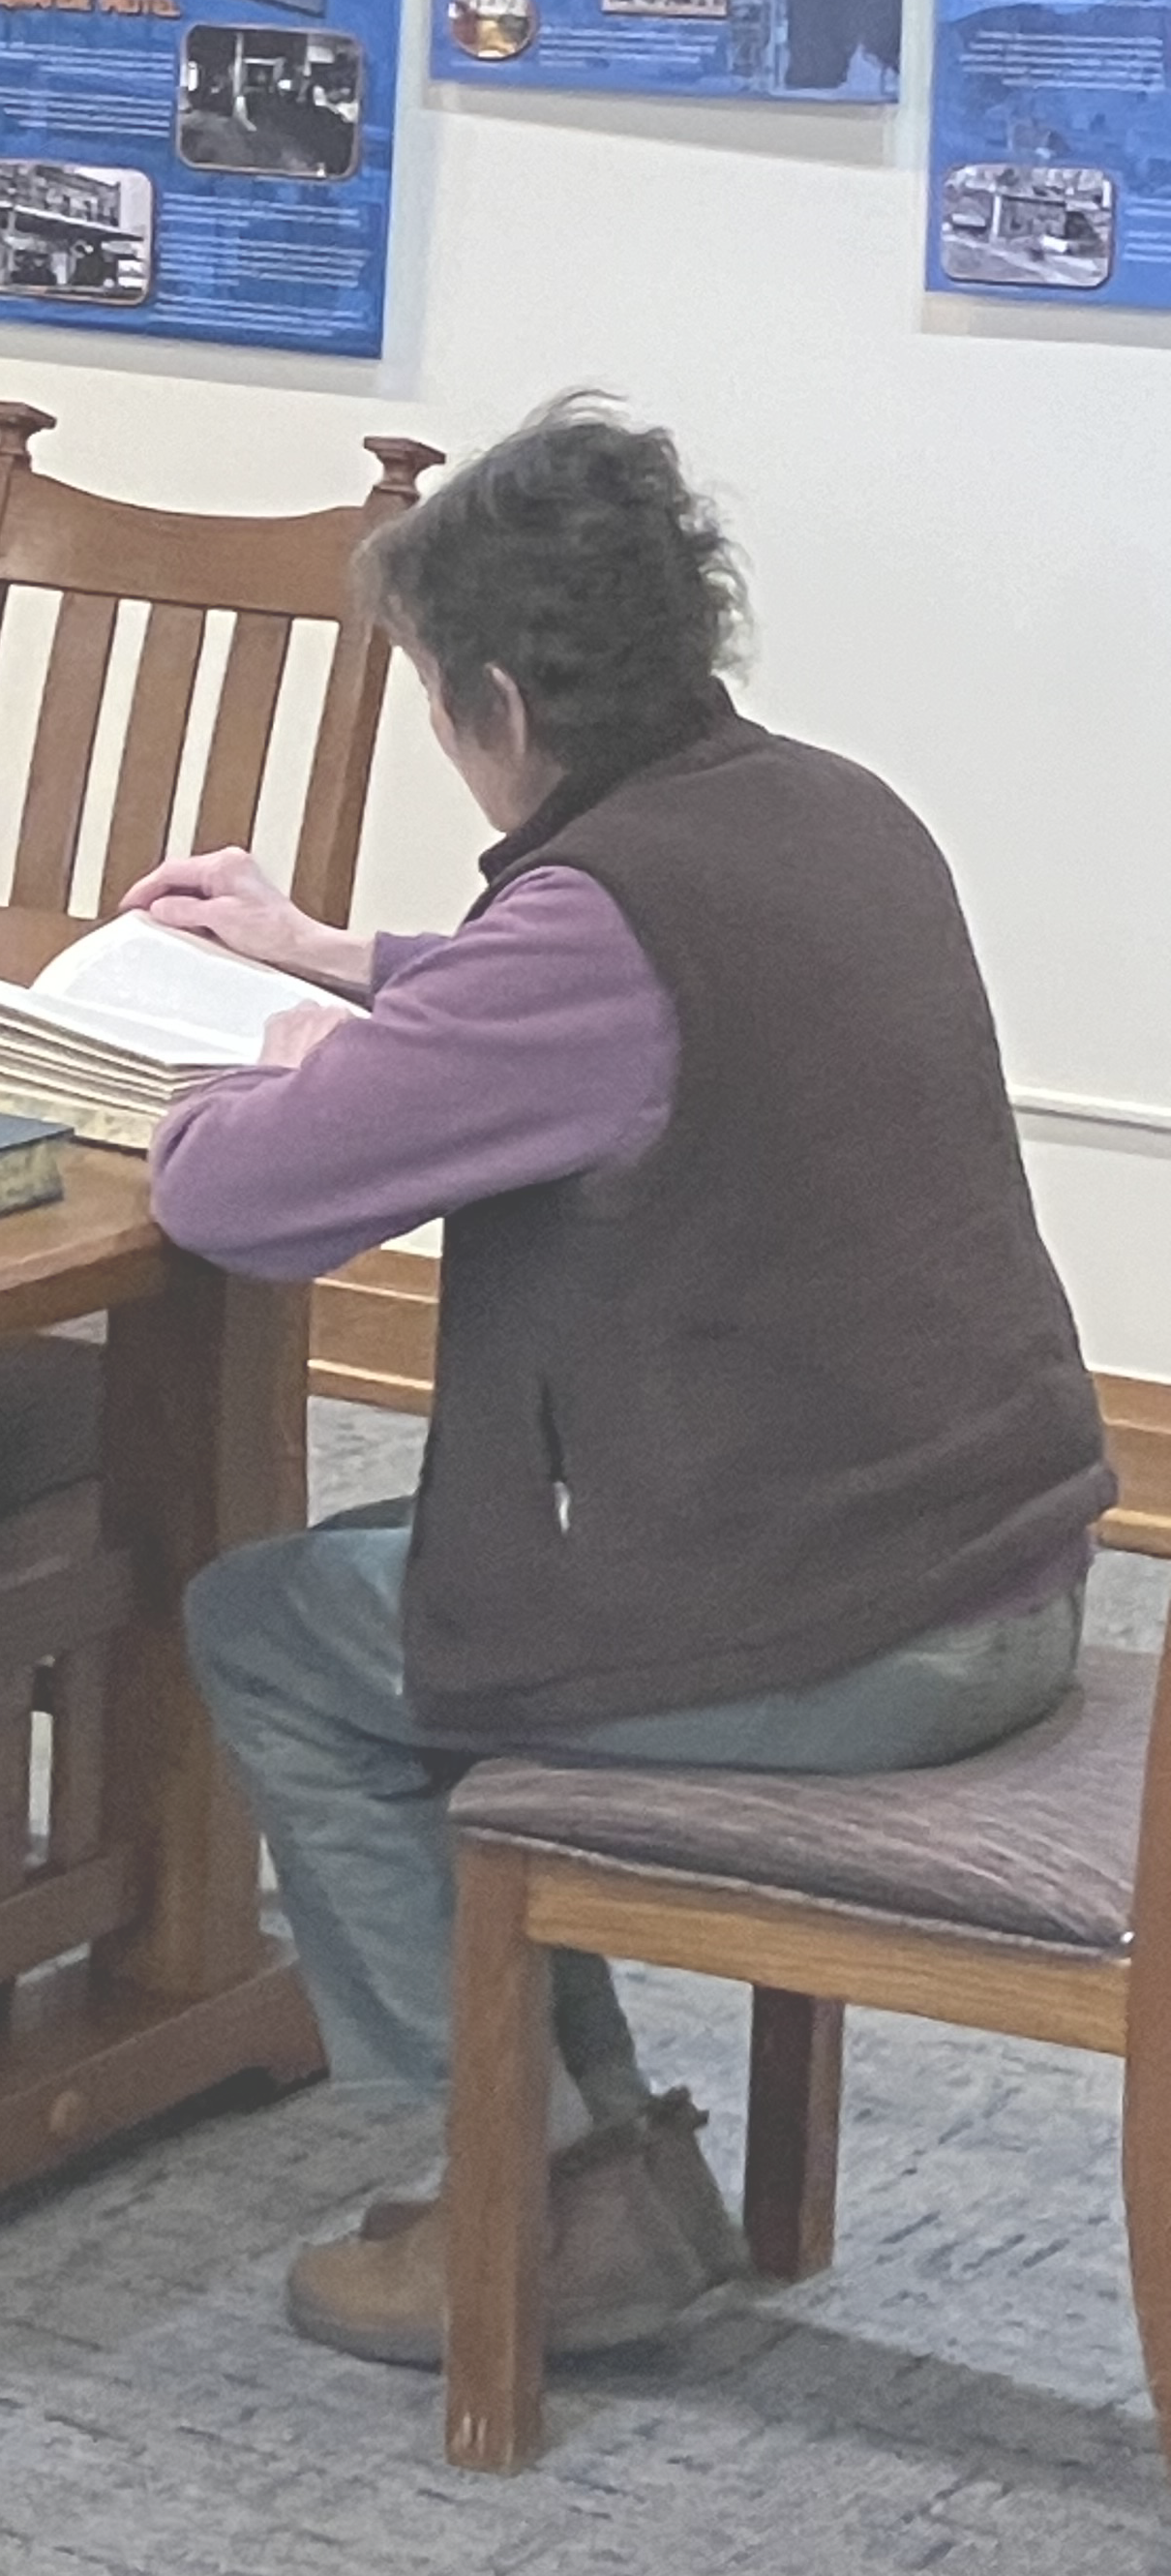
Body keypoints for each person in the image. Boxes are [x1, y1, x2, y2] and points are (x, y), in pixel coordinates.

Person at [130, 404, 1109, 2367]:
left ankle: (530, 2189)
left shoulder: (593, 928)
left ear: (495, 692)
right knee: (433, 1587)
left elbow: (240, 1203)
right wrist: (345, 958)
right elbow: (574, 1006)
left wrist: (237, 1069)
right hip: (997, 1562)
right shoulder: (828, 807)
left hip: (844, 1630)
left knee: (281, 1623)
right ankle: (596, 2154)